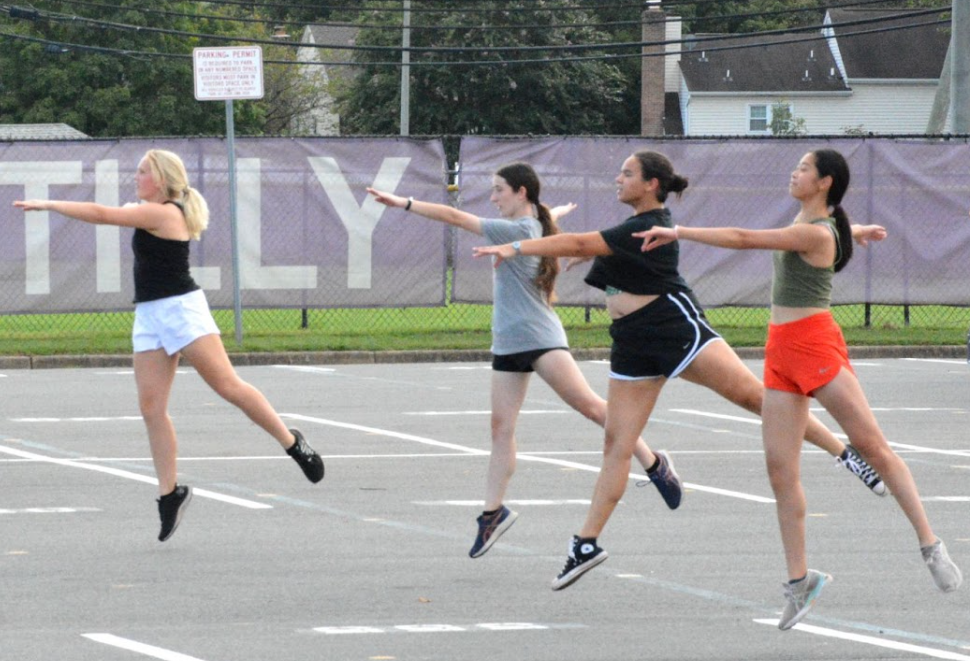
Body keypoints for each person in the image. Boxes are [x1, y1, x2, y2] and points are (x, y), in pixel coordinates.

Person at [472, 150, 886, 593]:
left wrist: (515, 246)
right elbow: (581, 246)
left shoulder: (643, 225)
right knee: (617, 440)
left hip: (672, 327)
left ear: (651, 184)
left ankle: (846, 453)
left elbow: (577, 243)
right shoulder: (628, 229)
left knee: (754, 398)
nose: (618, 178)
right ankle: (586, 543)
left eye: (627, 174)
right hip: (631, 339)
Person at [635, 148, 962, 629]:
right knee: (779, 470)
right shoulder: (817, 222)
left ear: (825, 182)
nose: (795, 171)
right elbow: (826, 231)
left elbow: (746, 238)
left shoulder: (813, 231)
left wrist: (679, 230)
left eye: (805, 168)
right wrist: (859, 230)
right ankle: (800, 581)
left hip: (815, 345)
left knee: (871, 445)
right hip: (781, 349)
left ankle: (930, 544)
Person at [366, 162, 683, 560]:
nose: (494, 198)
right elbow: (549, 214)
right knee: (501, 428)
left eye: (499, 190)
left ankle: (654, 463)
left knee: (591, 407)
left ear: (521, 193)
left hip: (540, 338)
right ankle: (492, 513)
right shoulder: (537, 218)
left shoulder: (516, 230)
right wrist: (557, 212)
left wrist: (404, 202)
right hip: (508, 341)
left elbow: (453, 216)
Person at [13, 149, 325, 542]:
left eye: (142, 172)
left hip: (181, 311)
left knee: (227, 386)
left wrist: (50, 203)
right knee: (150, 408)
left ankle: (293, 443)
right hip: (150, 315)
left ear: (160, 180)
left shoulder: (166, 213)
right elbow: (116, 211)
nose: (136, 177)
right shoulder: (151, 209)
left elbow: (103, 214)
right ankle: (169, 493)